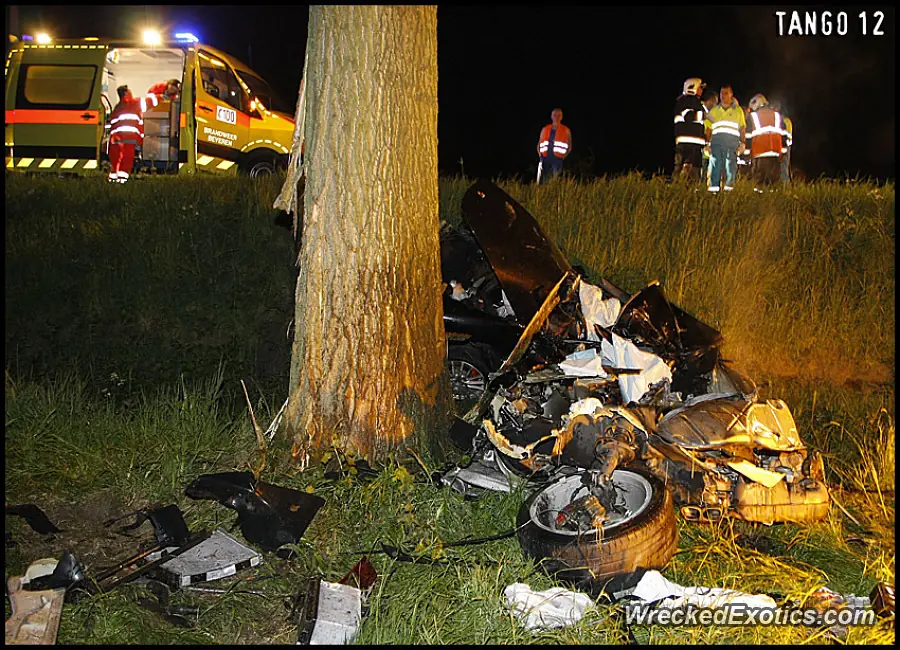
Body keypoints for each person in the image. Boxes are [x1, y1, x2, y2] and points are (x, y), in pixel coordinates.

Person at [703, 85, 746, 193]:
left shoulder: (738, 111)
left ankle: (729, 194)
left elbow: (742, 128)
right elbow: (708, 129)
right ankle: (713, 192)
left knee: (730, 167)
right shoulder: (714, 111)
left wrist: (743, 143)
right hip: (716, 143)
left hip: (732, 143)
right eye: (721, 93)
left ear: (731, 95)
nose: (723, 95)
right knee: (714, 167)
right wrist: (707, 143)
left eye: (726, 93)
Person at [746, 94, 787, 189]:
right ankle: (774, 202)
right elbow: (784, 135)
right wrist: (783, 153)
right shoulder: (777, 116)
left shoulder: (753, 117)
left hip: (760, 153)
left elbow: (748, 137)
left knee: (759, 183)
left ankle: (760, 201)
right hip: (775, 154)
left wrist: (748, 155)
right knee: (773, 183)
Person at [107, 85, 144, 183]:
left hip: (116, 139)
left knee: (116, 160)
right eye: (130, 92)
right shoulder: (133, 103)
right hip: (129, 137)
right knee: (126, 160)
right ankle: (122, 181)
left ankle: (113, 180)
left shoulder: (118, 107)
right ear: (126, 93)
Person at [672, 77, 706, 181]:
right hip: (690, 145)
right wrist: (705, 115)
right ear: (693, 87)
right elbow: (690, 117)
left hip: (686, 144)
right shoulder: (690, 102)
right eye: (700, 88)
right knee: (692, 174)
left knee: (681, 172)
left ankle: (679, 191)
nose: (701, 91)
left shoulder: (682, 101)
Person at [536, 108, 572, 184]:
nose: (557, 117)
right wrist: (541, 157)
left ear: (562, 117)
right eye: (555, 115)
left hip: (557, 160)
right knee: (541, 182)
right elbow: (539, 144)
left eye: (559, 115)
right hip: (544, 159)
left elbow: (569, 146)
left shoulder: (566, 130)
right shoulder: (545, 129)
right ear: (551, 116)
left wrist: (562, 157)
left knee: (554, 182)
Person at [770, 100, 792, 183]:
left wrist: (783, 151)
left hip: (784, 148)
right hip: (776, 147)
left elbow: (786, 138)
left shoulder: (785, 121)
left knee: (783, 169)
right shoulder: (776, 120)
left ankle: (786, 188)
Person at [699, 89, 718, 185]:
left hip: (704, 148)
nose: (716, 105)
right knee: (703, 175)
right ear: (710, 101)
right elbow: (708, 131)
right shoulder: (703, 112)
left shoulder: (705, 113)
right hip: (704, 148)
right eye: (715, 102)